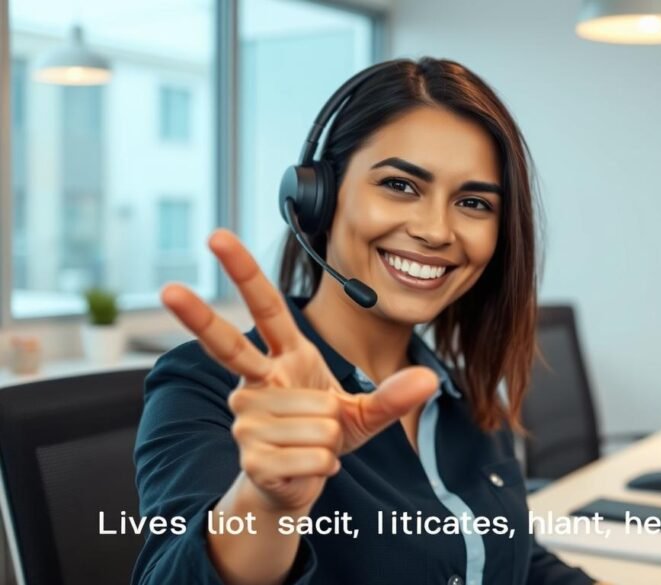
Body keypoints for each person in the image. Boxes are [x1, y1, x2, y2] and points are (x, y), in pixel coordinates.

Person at [132, 57, 601, 585]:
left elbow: (514, 557)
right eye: (400, 185)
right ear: (318, 198)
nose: (436, 231)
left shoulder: (466, 401)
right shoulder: (208, 386)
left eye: (472, 202)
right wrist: (267, 504)